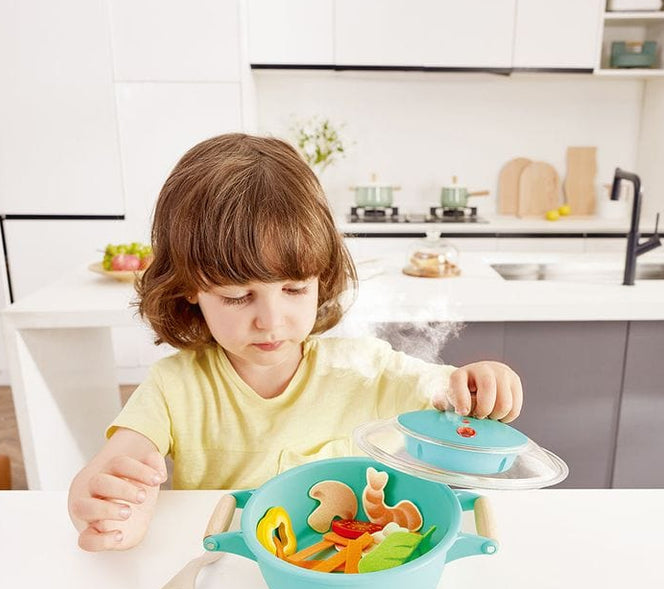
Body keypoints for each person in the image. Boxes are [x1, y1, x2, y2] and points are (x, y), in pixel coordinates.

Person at [68, 133, 522, 552]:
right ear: (189, 288)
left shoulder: (363, 367)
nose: (271, 321)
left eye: (294, 289)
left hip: (342, 579)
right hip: (222, 577)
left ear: (320, 278)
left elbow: (453, 396)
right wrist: (108, 504)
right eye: (237, 296)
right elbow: (115, 468)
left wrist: (482, 384)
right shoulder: (174, 388)